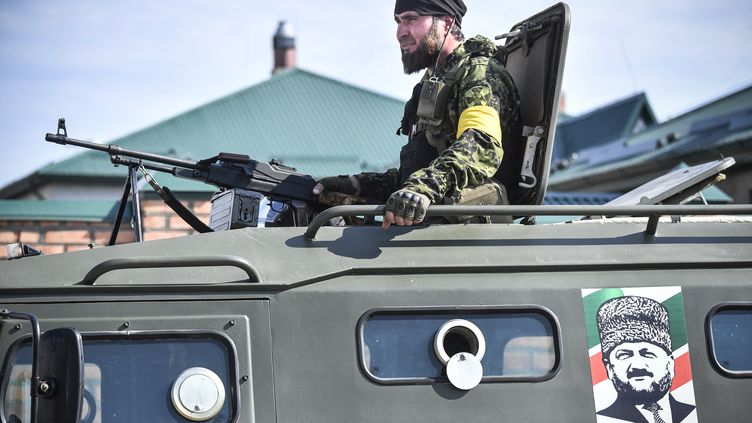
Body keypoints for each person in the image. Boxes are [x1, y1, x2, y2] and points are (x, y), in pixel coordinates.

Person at [313, 0, 520, 228]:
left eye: (411, 19)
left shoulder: (479, 73)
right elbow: (417, 172)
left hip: (468, 228)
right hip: (434, 218)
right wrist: (356, 184)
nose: (401, 32)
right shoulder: (433, 83)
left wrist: (422, 189)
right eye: (398, 21)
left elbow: (482, 145)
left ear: (447, 23)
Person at [596, 296, 696, 423]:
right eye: (624, 355)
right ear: (609, 369)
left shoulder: (691, 413)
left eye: (647, 354)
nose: (637, 366)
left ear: (669, 364)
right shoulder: (603, 419)